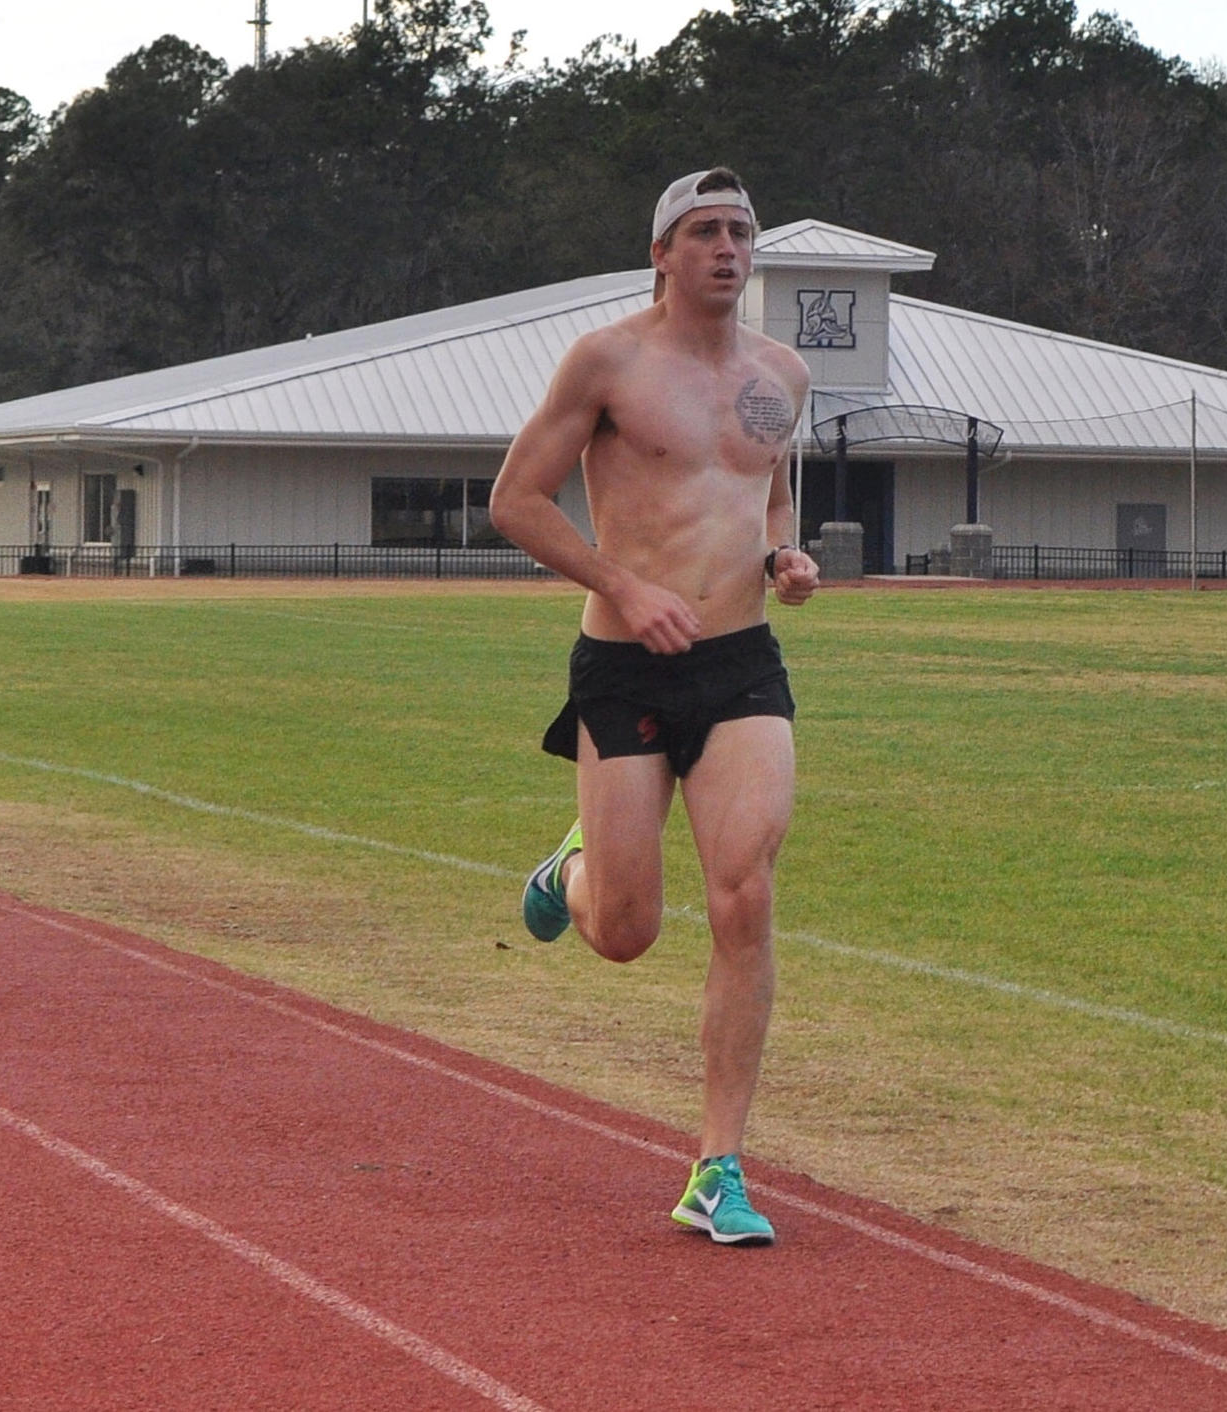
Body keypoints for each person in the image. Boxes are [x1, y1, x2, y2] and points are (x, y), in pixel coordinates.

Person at [489, 168, 819, 1246]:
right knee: (627, 932)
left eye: (742, 231)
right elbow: (515, 498)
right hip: (626, 670)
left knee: (745, 893)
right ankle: (574, 868)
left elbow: (764, 486)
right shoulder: (609, 362)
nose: (729, 247)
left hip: (740, 666)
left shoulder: (784, 374)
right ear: (663, 253)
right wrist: (622, 585)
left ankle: (718, 1166)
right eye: (706, 231)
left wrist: (783, 552)